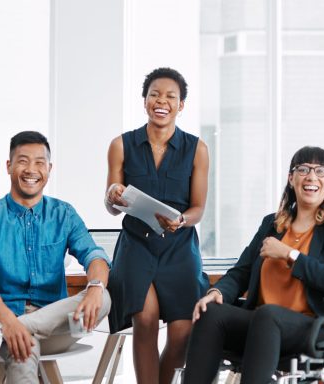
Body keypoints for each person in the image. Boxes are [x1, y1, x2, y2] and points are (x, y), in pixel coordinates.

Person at [183, 146, 324, 384]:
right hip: (262, 322)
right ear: (291, 178)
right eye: (303, 170)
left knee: (269, 316)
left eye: (320, 171)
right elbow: (242, 271)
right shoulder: (273, 224)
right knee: (211, 312)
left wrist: (290, 254)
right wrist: (217, 292)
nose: (311, 177)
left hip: (312, 324)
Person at [0, 130, 111, 380]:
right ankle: (6, 330)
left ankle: (4, 331)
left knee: (103, 296)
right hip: (1, 317)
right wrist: (8, 321)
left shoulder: (63, 214)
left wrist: (95, 287)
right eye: (23, 161)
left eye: (39, 162)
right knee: (23, 347)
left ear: (49, 168)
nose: (31, 169)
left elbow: (94, 255)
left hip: (51, 327)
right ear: (9, 166)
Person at [104, 67, 210, 384]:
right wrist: (113, 195)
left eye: (170, 97)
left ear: (181, 105)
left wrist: (182, 220)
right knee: (145, 318)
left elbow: (198, 208)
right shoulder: (121, 145)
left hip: (179, 246)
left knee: (183, 329)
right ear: (145, 100)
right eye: (154, 95)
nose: (161, 101)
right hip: (136, 245)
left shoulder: (197, 149)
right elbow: (111, 205)